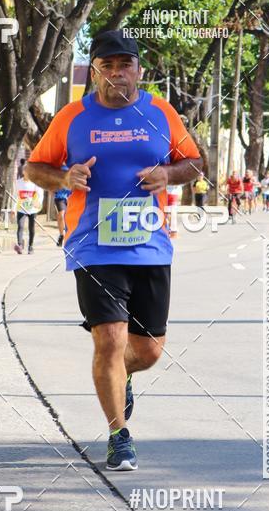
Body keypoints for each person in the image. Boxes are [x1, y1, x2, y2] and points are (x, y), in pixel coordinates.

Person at [26, 29, 202, 471]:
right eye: (107, 66)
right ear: (95, 71)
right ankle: (118, 434)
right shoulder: (72, 117)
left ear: (139, 69)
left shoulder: (161, 112)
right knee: (109, 341)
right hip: (93, 246)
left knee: (148, 351)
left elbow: (195, 162)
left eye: (125, 64)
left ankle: (119, 376)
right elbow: (35, 166)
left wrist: (169, 175)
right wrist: (65, 179)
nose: (117, 73)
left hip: (149, 245)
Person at [14, 161, 43, 254]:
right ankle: (20, 245)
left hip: (32, 209)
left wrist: (38, 203)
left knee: (31, 228)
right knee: (20, 226)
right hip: (21, 208)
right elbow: (15, 196)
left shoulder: (35, 183)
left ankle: (30, 246)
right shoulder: (18, 183)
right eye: (25, 170)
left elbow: (40, 194)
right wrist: (12, 209)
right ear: (23, 172)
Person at [54, 182, 70, 247]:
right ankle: (61, 235)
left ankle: (68, 234)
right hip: (60, 197)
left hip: (71, 197)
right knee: (61, 215)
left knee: (69, 217)